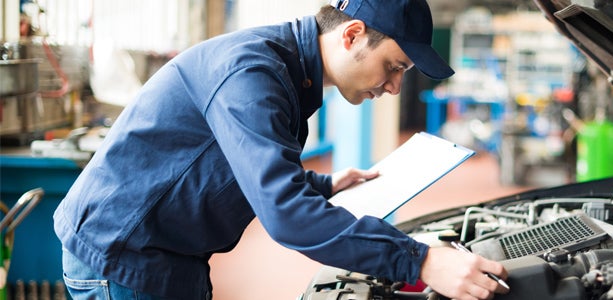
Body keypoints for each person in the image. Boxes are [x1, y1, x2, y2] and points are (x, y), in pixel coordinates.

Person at [53, 0, 509, 299]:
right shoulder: (253, 73)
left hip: (165, 253)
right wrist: (423, 261)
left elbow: (234, 163)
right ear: (351, 36)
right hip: (124, 257)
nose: (393, 86)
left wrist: (323, 183)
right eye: (393, 67)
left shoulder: (290, 72)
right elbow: (286, 215)